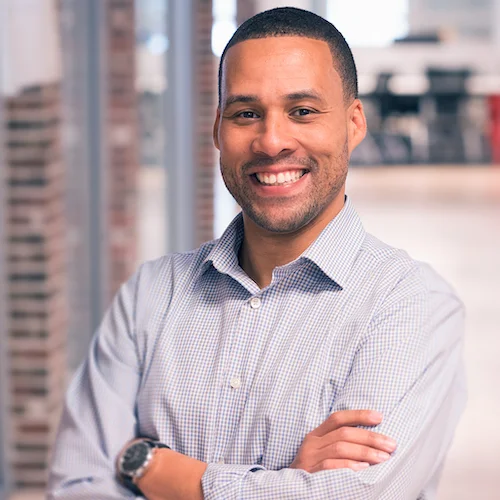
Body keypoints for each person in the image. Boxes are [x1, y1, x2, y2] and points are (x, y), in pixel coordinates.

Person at [47, 7, 466, 500]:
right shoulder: (150, 294)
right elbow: (76, 484)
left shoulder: (413, 306)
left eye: (302, 111)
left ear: (354, 123)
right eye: (247, 113)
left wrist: (151, 467)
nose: (271, 141)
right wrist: (283, 483)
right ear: (218, 129)